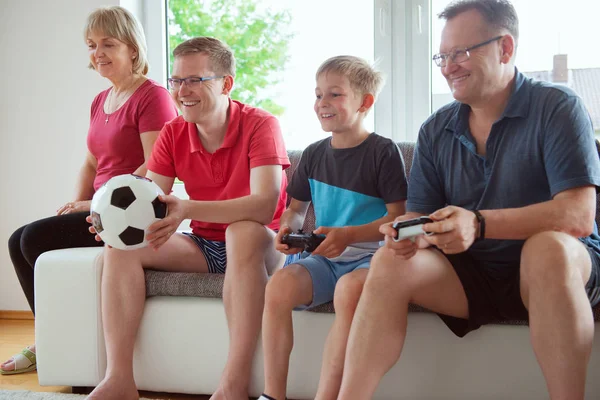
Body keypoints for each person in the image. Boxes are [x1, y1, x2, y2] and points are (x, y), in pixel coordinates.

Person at [334, 1, 600, 399]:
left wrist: (478, 223)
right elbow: (420, 215)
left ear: (505, 48)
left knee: (548, 249)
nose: (448, 66)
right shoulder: (435, 129)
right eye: (443, 55)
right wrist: (410, 232)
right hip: (471, 275)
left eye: (461, 53)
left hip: (555, 271)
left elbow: (578, 217)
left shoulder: (557, 107)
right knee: (391, 258)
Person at [84, 36, 290, 400]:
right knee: (120, 250)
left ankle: (234, 384)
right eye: (177, 81)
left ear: (226, 83)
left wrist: (189, 209)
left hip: (264, 244)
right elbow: (150, 201)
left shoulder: (261, 125)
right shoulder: (173, 133)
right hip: (206, 245)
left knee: (241, 232)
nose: (182, 91)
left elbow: (263, 206)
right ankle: (119, 380)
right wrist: (114, 225)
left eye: (195, 80)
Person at [1, 6, 177, 376]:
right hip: (99, 208)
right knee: (20, 239)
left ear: (132, 48)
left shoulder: (152, 97)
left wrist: (97, 203)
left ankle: (49, 342)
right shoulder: (101, 100)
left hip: (128, 214)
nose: (97, 52)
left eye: (108, 43)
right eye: (91, 45)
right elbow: (91, 163)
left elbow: (157, 164)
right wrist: (74, 203)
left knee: (32, 239)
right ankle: (50, 336)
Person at [258, 56, 407, 400]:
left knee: (349, 291)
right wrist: (287, 231)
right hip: (325, 258)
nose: (322, 103)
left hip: (371, 259)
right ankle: (272, 394)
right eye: (318, 94)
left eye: (335, 94)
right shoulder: (312, 154)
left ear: (365, 102)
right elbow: (295, 210)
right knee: (278, 287)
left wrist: (350, 236)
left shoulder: (383, 152)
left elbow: (397, 220)